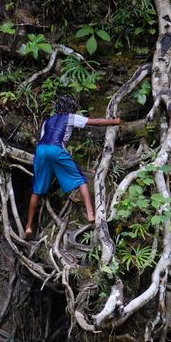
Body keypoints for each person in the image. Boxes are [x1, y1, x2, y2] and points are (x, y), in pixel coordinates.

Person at [24, 95, 121, 240]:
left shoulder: (47, 121)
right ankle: (90, 213)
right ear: (71, 108)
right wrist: (115, 121)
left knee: (37, 189)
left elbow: (43, 138)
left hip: (41, 150)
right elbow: (96, 122)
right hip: (55, 149)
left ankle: (29, 226)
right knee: (81, 179)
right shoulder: (71, 117)